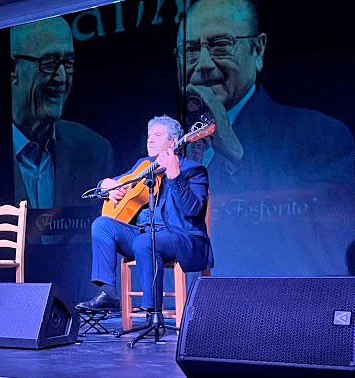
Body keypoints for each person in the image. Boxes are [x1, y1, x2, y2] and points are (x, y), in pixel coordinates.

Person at [175, 0, 355, 276]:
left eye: (220, 45)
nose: (203, 64)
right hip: (185, 301)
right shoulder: (162, 142)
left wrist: (238, 158)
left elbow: (327, 238)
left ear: (258, 49)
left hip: (276, 303)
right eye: (191, 50)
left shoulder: (318, 135)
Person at [76, 116, 213, 312]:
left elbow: (194, 210)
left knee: (145, 241)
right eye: (149, 136)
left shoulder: (193, 170)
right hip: (143, 233)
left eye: (157, 135)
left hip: (179, 237)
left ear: (173, 142)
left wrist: (175, 177)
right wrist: (106, 185)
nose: (150, 140)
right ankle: (108, 293)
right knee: (102, 224)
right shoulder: (144, 165)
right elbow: (119, 182)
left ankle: (152, 312)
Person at [11, 17, 113, 209]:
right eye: (49, 62)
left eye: (67, 63)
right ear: (14, 68)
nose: (61, 78)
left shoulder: (96, 151)